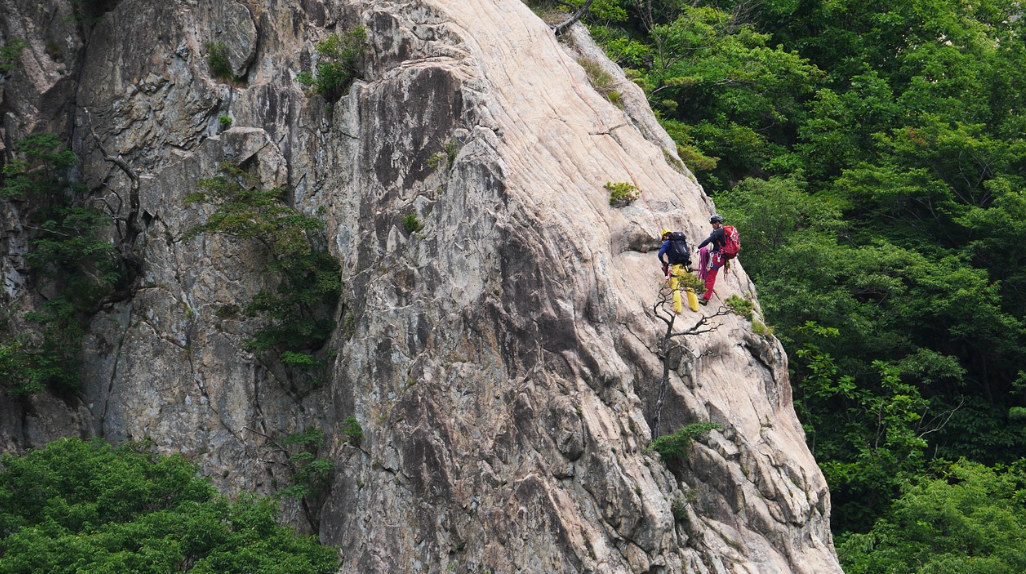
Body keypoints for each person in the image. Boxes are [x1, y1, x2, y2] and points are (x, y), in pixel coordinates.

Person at [695, 214, 726, 305]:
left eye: (713, 223)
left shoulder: (719, 231)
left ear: (717, 223)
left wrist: (698, 248)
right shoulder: (722, 232)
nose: (712, 225)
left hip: (718, 257)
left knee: (710, 277)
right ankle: (703, 291)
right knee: (709, 275)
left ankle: (705, 298)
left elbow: (708, 240)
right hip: (719, 257)